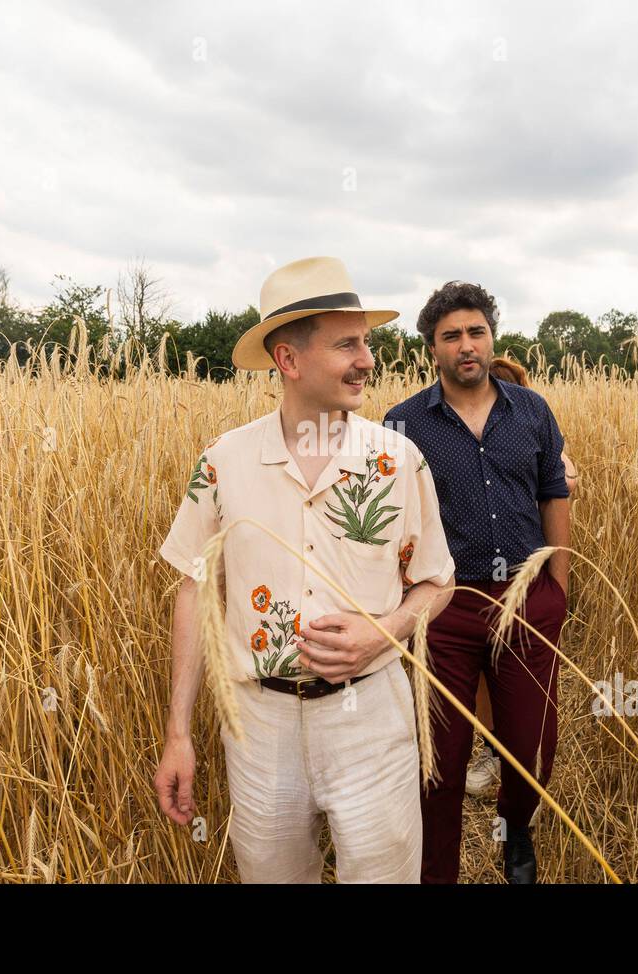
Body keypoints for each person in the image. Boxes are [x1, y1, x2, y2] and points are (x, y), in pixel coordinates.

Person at [153, 256, 455, 883]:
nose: (368, 359)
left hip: (371, 715)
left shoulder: (399, 460)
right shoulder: (223, 462)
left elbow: (437, 581)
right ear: (288, 361)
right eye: (347, 344)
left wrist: (384, 631)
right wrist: (177, 733)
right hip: (258, 727)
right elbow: (194, 587)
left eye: (366, 342)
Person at [384, 282, 571, 884]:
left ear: (492, 336)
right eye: (451, 336)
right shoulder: (402, 424)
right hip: (445, 608)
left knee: (532, 749)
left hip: (527, 600)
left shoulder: (532, 411)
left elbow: (553, 494)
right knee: (439, 763)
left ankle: (517, 826)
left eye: (476, 332)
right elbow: (391, 522)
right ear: (431, 350)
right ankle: (437, 873)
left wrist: (557, 588)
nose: (466, 345)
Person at [464, 356, 578, 799]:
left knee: (519, 681)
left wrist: (557, 589)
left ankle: (511, 761)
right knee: (480, 678)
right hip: (469, 579)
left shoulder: (532, 420)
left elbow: (566, 479)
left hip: (526, 575)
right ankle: (495, 749)